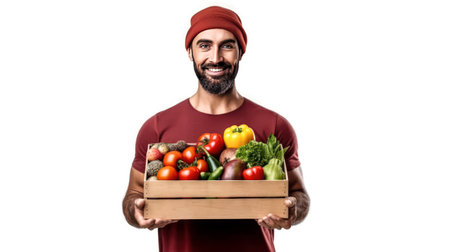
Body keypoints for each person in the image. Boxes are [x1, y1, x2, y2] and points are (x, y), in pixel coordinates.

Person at [122, 6, 310, 252]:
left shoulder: (274, 126)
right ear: (190, 52)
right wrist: (135, 211)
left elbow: (300, 195)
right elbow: (133, 195)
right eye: (204, 45)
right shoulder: (157, 127)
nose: (215, 57)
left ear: (241, 52)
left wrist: (294, 210)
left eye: (227, 46)